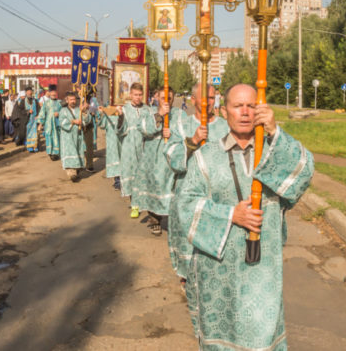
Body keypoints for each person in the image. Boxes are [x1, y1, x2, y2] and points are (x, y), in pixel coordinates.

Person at [175, 84, 313, 350]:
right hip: (219, 272)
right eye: (238, 106)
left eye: (252, 106)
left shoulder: (274, 153)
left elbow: (305, 171)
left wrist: (274, 131)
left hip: (262, 271)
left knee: (261, 339)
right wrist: (231, 215)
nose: (246, 113)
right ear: (224, 111)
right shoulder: (206, 157)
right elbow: (186, 205)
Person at [165, 83, 230, 284]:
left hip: (217, 194)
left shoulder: (225, 126)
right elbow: (171, 156)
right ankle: (186, 277)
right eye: (203, 98)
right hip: (187, 191)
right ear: (193, 100)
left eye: (211, 98)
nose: (208, 102)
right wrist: (192, 141)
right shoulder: (182, 124)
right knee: (187, 237)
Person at [134, 88, 180, 236]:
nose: (166, 100)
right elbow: (143, 128)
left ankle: (174, 219)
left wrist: (173, 134)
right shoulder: (148, 111)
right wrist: (159, 115)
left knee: (174, 189)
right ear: (157, 97)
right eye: (163, 97)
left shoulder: (179, 114)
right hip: (153, 158)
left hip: (172, 158)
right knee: (155, 187)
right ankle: (154, 219)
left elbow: (187, 133)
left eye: (170, 98)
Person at [116, 82, 148, 219]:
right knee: (130, 174)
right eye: (135, 94)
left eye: (140, 95)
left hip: (144, 146)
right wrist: (120, 117)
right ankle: (134, 204)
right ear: (130, 95)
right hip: (129, 146)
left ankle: (142, 201)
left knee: (142, 175)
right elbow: (120, 130)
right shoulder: (125, 109)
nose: (138, 97)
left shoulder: (147, 109)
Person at [58, 92, 91, 182]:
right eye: (71, 99)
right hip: (67, 136)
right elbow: (61, 122)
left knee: (77, 151)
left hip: (78, 135)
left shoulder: (78, 110)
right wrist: (72, 122)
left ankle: (77, 169)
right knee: (70, 152)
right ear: (67, 100)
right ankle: (71, 173)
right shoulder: (63, 110)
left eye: (74, 99)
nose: (73, 101)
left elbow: (86, 120)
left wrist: (84, 112)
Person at [37, 85, 62, 160]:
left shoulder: (60, 102)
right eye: (52, 93)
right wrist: (40, 124)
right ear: (50, 93)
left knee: (57, 138)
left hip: (57, 124)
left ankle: (56, 153)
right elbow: (42, 113)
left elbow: (64, 112)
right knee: (49, 138)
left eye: (55, 93)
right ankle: (50, 152)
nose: (53, 94)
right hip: (48, 124)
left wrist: (59, 113)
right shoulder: (46, 103)